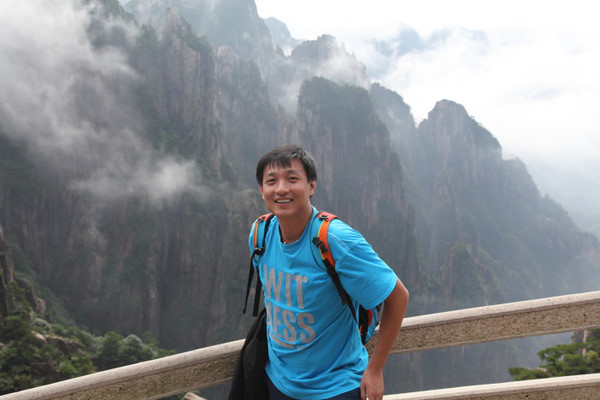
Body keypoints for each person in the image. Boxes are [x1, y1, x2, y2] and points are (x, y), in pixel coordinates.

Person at [252, 144, 409, 400]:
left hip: (335, 387)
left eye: (292, 179)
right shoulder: (260, 234)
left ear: (311, 186)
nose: (281, 189)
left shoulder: (336, 241)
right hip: (278, 381)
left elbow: (398, 297)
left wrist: (375, 369)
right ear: (262, 190)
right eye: (271, 181)